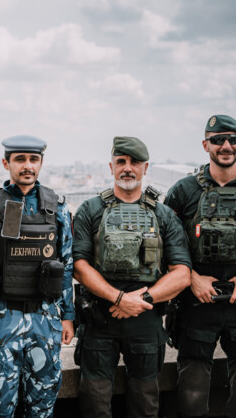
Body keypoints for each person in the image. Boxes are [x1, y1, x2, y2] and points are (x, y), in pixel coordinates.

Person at [72, 136, 191, 418]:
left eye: (134, 162)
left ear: (145, 167)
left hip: (146, 321)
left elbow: (182, 273)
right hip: (100, 318)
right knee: (94, 401)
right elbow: (79, 265)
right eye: (121, 162)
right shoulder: (91, 210)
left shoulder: (162, 215)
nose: (128, 168)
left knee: (145, 402)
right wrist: (119, 298)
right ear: (111, 166)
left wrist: (142, 300)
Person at [164, 115, 236, 418]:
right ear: (205, 144)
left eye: (233, 139)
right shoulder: (183, 191)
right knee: (192, 390)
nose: (226, 146)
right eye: (217, 139)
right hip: (197, 302)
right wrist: (192, 279)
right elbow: (165, 247)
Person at [0, 135, 75, 417]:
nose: (27, 166)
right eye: (20, 159)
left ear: (41, 163)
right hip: (2, 319)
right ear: (6, 163)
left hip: (45, 319)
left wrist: (67, 315)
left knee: (42, 407)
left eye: (33, 159)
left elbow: (66, 263)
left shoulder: (57, 207)